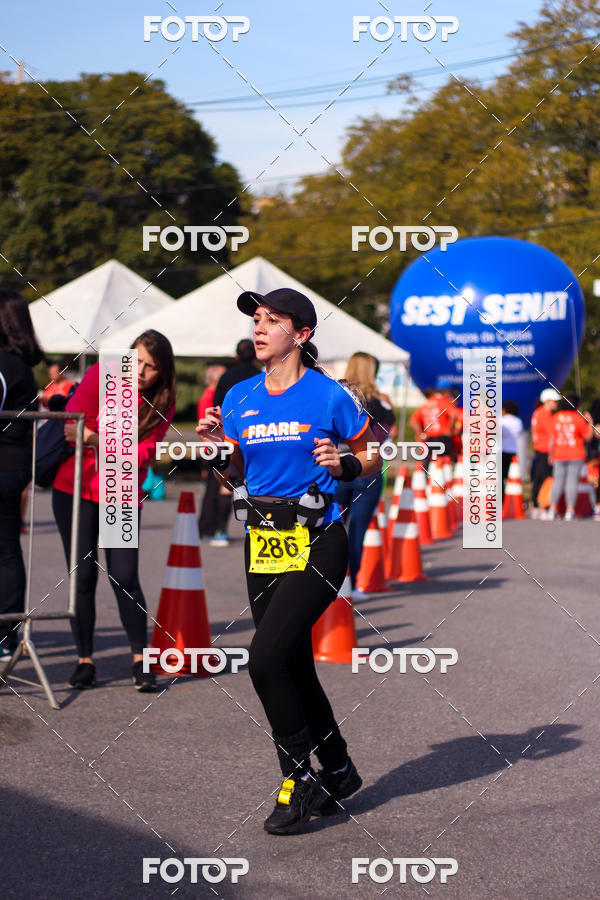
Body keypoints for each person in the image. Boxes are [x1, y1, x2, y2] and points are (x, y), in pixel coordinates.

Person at [196, 287, 381, 835]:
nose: (259, 328)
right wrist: (212, 451)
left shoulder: (328, 396)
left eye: (271, 320)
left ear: (300, 335)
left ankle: (296, 777)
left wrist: (346, 466)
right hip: (263, 541)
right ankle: (341, 770)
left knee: (263, 661)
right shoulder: (239, 397)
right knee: (292, 665)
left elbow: (374, 456)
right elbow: (233, 476)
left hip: (319, 540)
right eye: (256, 319)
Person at [52, 329, 176, 690]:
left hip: (120, 492)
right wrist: (116, 444)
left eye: (150, 367)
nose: (140, 372)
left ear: (162, 372)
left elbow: (143, 454)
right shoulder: (102, 375)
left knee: (125, 577)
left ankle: (141, 659)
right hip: (73, 488)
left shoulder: (161, 401)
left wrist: (97, 440)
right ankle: (84, 660)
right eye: (136, 361)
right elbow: (73, 430)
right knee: (83, 576)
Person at [0, 290, 43, 660]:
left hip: (4, 463)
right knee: (9, 551)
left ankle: (5, 635)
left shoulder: (3, 364)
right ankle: (7, 635)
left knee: (7, 552)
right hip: (15, 465)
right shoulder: (23, 366)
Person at [334, 352, 396, 595]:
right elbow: (387, 436)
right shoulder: (382, 403)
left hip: (336, 466)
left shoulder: (337, 396)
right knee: (357, 531)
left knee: (331, 527)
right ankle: (352, 584)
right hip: (368, 469)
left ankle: (328, 582)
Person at [198, 340, 259, 546]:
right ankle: (259, 526)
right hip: (256, 432)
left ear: (236, 355)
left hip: (229, 432)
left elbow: (217, 406)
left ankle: (217, 530)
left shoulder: (227, 377)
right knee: (254, 480)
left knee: (221, 482)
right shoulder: (261, 377)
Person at [546, 394, 593, 521]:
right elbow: (587, 436)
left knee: (558, 482)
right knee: (572, 482)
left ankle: (552, 509)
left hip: (559, 454)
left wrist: (550, 454)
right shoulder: (578, 418)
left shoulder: (556, 417)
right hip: (576, 454)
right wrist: (590, 423)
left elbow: (552, 438)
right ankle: (570, 511)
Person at [530, 389, 560, 517]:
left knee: (538, 477)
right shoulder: (545, 414)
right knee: (545, 479)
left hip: (539, 449)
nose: (556, 404)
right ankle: (542, 505)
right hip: (545, 450)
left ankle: (537, 505)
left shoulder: (538, 412)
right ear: (547, 401)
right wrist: (551, 454)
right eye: (554, 401)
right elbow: (552, 435)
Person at [409, 381, 457, 461]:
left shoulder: (427, 402)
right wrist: (451, 430)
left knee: (431, 464)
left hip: (429, 439)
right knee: (445, 463)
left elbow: (413, 420)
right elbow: (454, 414)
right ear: (446, 391)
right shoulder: (444, 401)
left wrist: (420, 434)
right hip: (442, 439)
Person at [501, 400, 524, 498]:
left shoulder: (501, 420)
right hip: (513, 452)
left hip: (502, 451)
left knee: (500, 478)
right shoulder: (518, 421)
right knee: (512, 478)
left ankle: (501, 499)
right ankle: (511, 498)